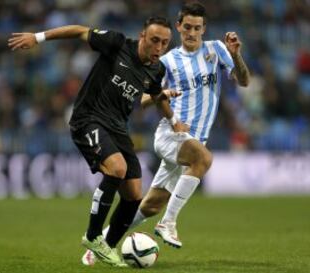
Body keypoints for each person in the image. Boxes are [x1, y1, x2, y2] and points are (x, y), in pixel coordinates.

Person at [81, 2, 250, 265]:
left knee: (149, 205)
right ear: (179, 27)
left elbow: (244, 80)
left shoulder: (217, 50)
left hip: (193, 141)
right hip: (172, 134)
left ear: (204, 29)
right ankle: (168, 223)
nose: (192, 32)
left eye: (197, 28)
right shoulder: (167, 60)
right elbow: (145, 99)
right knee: (203, 159)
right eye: (187, 27)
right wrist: (164, 97)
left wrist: (236, 55)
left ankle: (100, 243)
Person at [8, 17, 182, 267]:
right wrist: (38, 37)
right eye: (154, 40)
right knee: (117, 168)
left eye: (164, 43)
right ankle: (92, 236)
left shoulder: (157, 70)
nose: (159, 47)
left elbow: (153, 95)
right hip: (88, 119)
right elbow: (79, 31)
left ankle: (106, 247)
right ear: (143, 35)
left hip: (118, 128)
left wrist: (174, 119)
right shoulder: (117, 43)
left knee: (134, 195)